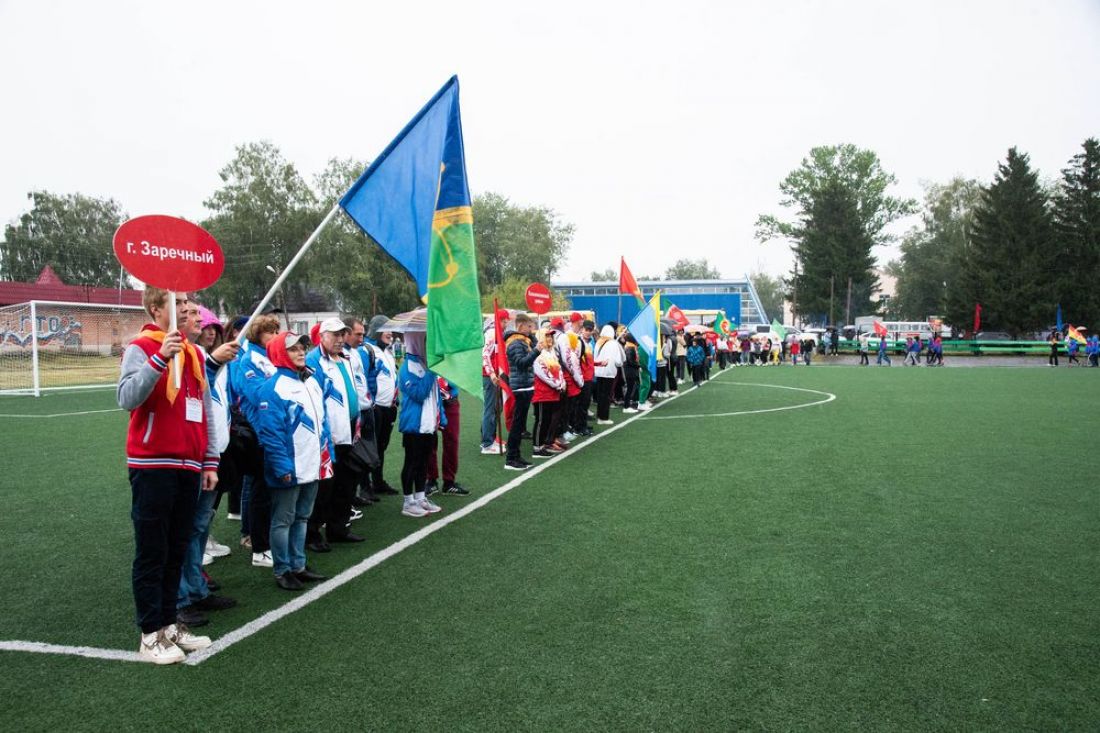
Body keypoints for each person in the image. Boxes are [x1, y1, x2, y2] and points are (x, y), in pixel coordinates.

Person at [117, 287, 218, 664]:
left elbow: (203, 411)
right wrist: (160, 358)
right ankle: (149, 633)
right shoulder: (142, 347)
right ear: (156, 308)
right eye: (178, 305)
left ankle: (169, 623)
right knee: (152, 551)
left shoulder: (193, 355)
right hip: (153, 464)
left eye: (189, 306)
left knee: (176, 548)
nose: (187, 311)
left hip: (188, 467)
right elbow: (127, 397)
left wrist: (209, 461)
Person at [175, 304, 240, 628]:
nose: (206, 327)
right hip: (182, 457)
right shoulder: (182, 354)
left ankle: (196, 588)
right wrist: (214, 362)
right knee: (183, 530)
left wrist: (212, 456)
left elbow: (212, 406)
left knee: (199, 527)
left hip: (208, 452)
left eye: (212, 324)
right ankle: (181, 597)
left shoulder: (207, 358)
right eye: (199, 320)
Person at [254, 331, 332, 591]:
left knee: (302, 517)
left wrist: (327, 452)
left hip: (313, 463)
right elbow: (271, 434)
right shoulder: (273, 387)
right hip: (291, 466)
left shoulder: (311, 381)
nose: (300, 352)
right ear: (278, 353)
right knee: (283, 519)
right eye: (293, 349)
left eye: (302, 348)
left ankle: (299, 564)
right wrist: (282, 466)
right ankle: (282, 569)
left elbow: (323, 422)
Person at [305, 318, 367, 545]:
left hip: (348, 429)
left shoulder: (346, 358)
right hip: (328, 433)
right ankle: (312, 533)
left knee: (346, 481)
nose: (340, 339)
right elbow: (313, 398)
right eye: (335, 335)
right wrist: (325, 432)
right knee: (324, 486)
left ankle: (338, 527)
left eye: (342, 335)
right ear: (322, 336)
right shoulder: (313, 360)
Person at [231, 314, 281, 568]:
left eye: (276, 331)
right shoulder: (248, 359)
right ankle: (258, 547)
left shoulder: (269, 357)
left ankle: (266, 540)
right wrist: (281, 382)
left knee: (270, 490)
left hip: (274, 432)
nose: (274, 336)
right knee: (259, 490)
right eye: (269, 332)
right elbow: (255, 394)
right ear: (256, 334)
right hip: (259, 433)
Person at [397, 330, 444, 517]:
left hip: (428, 425)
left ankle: (420, 497)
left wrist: (441, 418)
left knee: (424, 462)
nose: (429, 346)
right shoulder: (407, 367)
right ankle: (408, 502)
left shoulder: (424, 363)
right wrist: (432, 371)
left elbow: (435, 396)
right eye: (425, 341)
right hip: (414, 426)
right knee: (412, 462)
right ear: (416, 341)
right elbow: (419, 393)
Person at [362, 315, 400, 496]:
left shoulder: (387, 352)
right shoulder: (367, 350)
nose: (390, 333)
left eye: (391, 329)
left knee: (382, 445)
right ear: (376, 330)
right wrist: (372, 404)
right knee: (369, 447)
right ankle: (365, 486)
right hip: (375, 407)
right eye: (386, 329)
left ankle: (378, 481)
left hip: (388, 407)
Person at [503, 313, 540, 470]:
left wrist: (534, 342)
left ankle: (516, 455)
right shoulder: (515, 343)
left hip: (525, 385)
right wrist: (536, 350)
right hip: (521, 386)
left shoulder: (523, 341)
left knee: (520, 424)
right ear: (520, 326)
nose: (531, 329)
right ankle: (511, 458)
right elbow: (521, 363)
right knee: (517, 425)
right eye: (529, 326)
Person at [425, 377, 470, 496]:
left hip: (450, 400)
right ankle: (431, 480)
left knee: (452, 441)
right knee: (429, 439)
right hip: (430, 400)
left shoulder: (453, 358)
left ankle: (449, 482)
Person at [532, 330, 567, 456]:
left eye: (551, 336)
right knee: (541, 421)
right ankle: (537, 447)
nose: (550, 338)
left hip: (552, 393)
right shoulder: (539, 354)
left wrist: (562, 383)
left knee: (546, 420)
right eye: (546, 336)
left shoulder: (551, 353)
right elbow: (543, 374)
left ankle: (543, 444)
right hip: (542, 393)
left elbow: (559, 370)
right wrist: (558, 384)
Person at [479, 311, 507, 454]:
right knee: (490, 408)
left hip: (495, 376)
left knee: (495, 408)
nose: (506, 324)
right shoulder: (492, 333)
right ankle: (487, 443)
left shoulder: (497, 333)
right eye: (504, 321)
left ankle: (490, 437)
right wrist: (491, 373)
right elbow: (485, 354)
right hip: (490, 377)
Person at [594, 324, 623, 425]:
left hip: (598, 371)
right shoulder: (614, 343)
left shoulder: (598, 342)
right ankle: (604, 417)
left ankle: (599, 416)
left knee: (600, 395)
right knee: (606, 396)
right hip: (609, 372)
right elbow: (619, 361)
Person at [621, 333, 641, 412]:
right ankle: (626, 406)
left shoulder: (630, 346)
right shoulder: (630, 347)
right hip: (630, 371)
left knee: (631, 388)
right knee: (629, 388)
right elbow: (630, 360)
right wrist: (638, 366)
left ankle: (628, 404)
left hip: (630, 370)